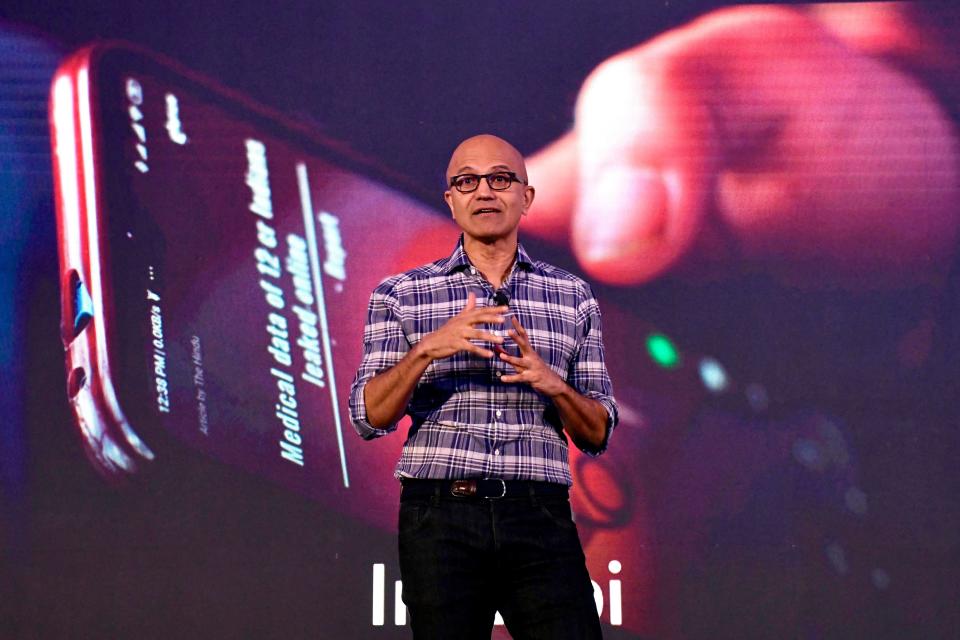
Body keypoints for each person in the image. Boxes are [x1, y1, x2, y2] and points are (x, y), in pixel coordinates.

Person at [348, 134, 619, 639]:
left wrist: (552, 384)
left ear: (526, 196)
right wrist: (428, 348)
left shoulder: (571, 296)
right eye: (467, 182)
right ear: (451, 200)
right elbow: (368, 417)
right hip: (440, 515)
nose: (484, 193)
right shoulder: (400, 294)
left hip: (538, 514)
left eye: (500, 179)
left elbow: (598, 432)